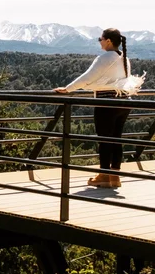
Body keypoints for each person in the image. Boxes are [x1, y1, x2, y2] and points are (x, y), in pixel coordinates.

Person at [54, 28, 135, 188]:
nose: (99, 41)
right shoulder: (124, 58)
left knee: (104, 139)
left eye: (100, 39)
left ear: (109, 41)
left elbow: (87, 77)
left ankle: (104, 175)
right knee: (116, 139)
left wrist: (68, 89)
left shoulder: (105, 58)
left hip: (107, 102)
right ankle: (115, 177)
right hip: (124, 101)